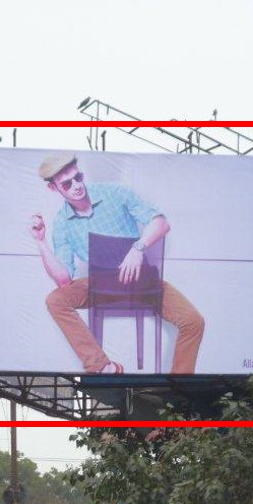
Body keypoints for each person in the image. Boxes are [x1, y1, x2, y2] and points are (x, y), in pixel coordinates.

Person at [29, 153, 206, 374]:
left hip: (141, 281)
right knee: (56, 299)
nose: (76, 186)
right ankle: (102, 366)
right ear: (54, 189)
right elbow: (63, 279)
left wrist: (138, 248)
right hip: (101, 286)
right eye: (67, 183)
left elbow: (160, 223)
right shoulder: (62, 222)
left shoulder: (115, 193)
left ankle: (179, 387)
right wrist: (40, 241)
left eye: (78, 177)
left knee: (193, 321)